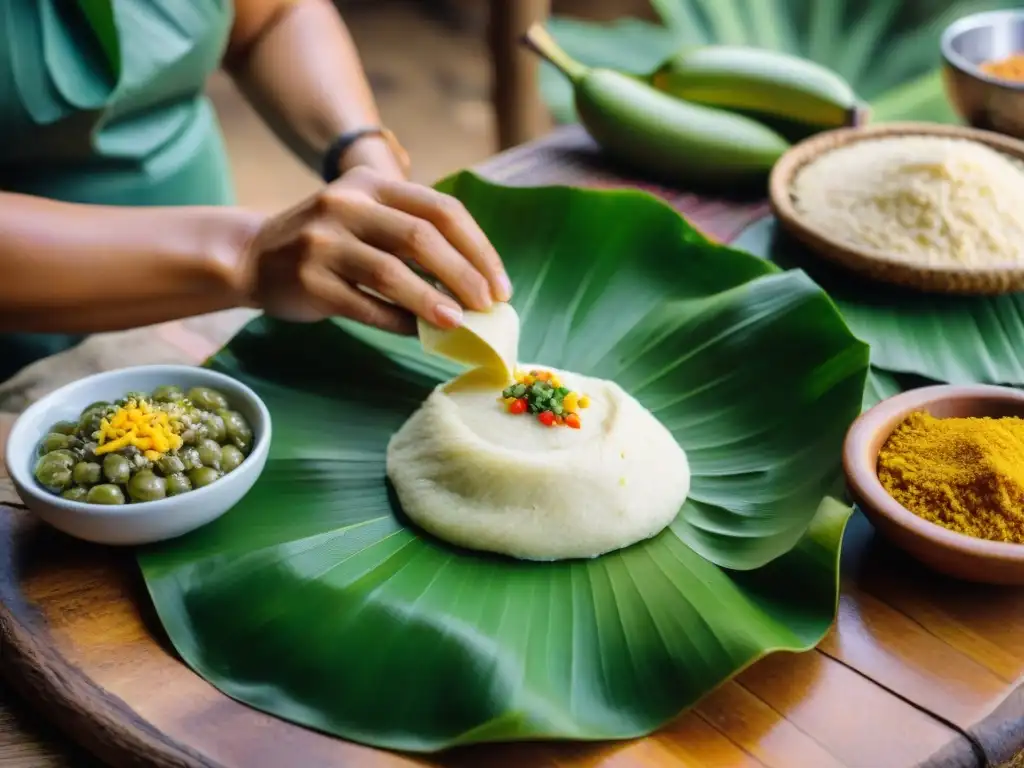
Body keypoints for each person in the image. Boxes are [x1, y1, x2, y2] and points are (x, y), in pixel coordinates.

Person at [0, 0, 510, 383]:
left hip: (212, 310)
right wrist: (247, 256)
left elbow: (273, 15)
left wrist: (365, 156)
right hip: (32, 336)